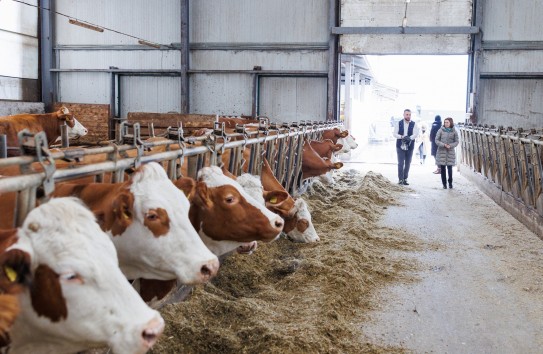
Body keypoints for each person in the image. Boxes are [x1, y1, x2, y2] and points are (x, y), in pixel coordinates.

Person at [393, 109, 419, 185]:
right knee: (400, 163)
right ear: (403, 115)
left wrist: (409, 138)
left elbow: (416, 134)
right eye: (407, 114)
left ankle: (405, 179)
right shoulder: (399, 123)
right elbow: (394, 134)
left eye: (409, 114)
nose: (408, 116)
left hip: (410, 146)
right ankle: (400, 179)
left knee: (408, 163)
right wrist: (401, 136)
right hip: (400, 145)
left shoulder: (414, 124)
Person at [435, 117, 459, 189]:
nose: (446, 124)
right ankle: (444, 184)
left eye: (447, 122)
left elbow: (457, 141)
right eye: (445, 122)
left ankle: (450, 183)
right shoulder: (440, 131)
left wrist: (450, 146)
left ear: (451, 123)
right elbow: (436, 140)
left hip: (450, 152)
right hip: (441, 152)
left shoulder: (454, 131)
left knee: (450, 169)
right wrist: (443, 145)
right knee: (442, 169)